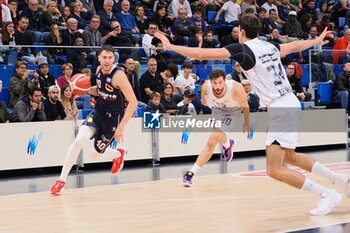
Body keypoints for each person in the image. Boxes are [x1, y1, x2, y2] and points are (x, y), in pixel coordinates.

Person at [155, 14, 350, 216]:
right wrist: (317, 41)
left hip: (281, 108)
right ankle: (338, 179)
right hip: (289, 101)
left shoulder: (244, 50)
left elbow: (203, 54)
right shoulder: (269, 45)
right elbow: (295, 46)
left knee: (274, 169)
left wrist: (172, 46)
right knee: (289, 156)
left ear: (241, 31)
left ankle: (327, 194)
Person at [50, 45, 138, 195]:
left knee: (95, 155)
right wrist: (81, 90)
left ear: (113, 58)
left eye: (110, 58)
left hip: (113, 119)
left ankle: (119, 154)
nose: (107, 60)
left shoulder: (119, 75)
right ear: (98, 58)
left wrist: (122, 126)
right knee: (79, 140)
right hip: (98, 112)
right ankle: (61, 180)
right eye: (104, 57)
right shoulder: (98, 70)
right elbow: (99, 90)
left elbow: (134, 102)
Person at [181, 69, 250, 186]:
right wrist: (204, 94)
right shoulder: (205, 87)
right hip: (218, 110)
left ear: (224, 81)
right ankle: (191, 173)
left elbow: (245, 106)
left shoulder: (236, 88)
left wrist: (247, 122)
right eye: (215, 83)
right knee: (211, 142)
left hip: (232, 112)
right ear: (211, 82)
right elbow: (205, 103)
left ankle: (190, 173)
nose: (217, 86)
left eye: (220, 83)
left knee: (216, 135)